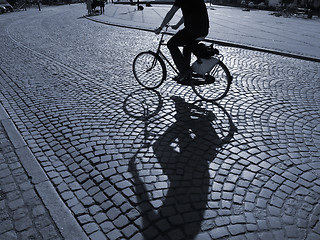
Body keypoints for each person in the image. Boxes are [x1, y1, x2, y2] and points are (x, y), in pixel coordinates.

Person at [154, 0, 209, 83]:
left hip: (192, 30)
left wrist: (160, 28)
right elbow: (188, 14)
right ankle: (186, 76)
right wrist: (177, 25)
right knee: (187, 47)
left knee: (171, 44)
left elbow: (171, 12)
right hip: (204, 30)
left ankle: (184, 71)